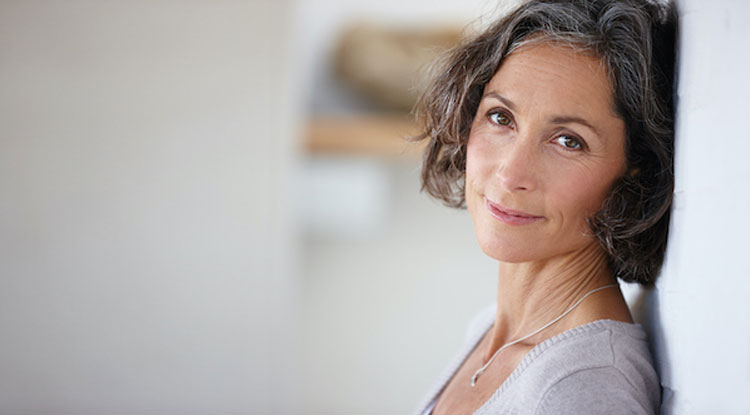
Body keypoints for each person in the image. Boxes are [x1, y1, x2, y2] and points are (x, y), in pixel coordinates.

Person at [411, 0, 676, 414]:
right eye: (501, 117)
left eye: (569, 141)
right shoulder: (493, 331)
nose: (511, 173)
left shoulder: (583, 387)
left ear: (636, 173)